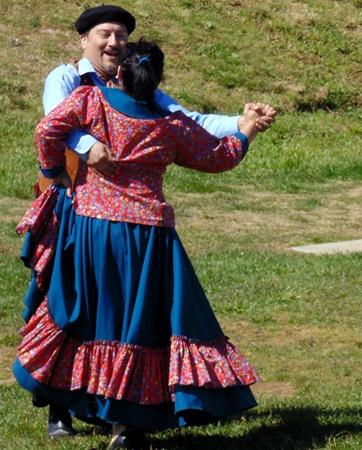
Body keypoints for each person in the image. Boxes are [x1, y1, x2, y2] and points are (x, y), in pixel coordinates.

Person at [14, 40, 276, 449]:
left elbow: (47, 129)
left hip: (93, 230)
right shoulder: (168, 123)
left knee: (96, 317)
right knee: (140, 325)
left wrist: (55, 172)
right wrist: (246, 131)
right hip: (149, 237)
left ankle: (82, 408)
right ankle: (126, 425)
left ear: (120, 73)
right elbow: (218, 157)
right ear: (157, 82)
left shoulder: (90, 100)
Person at [36, 4, 270, 194]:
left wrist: (241, 122)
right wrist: (88, 146)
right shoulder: (66, 77)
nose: (113, 42)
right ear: (84, 40)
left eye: (121, 36)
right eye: (105, 34)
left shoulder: (141, 89)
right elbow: (54, 125)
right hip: (68, 183)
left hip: (122, 195)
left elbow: (188, 121)